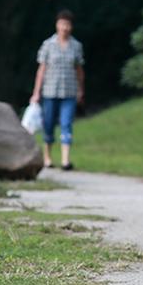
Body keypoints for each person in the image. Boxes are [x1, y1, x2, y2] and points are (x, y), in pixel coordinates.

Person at [30, 9, 85, 170]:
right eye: (62, 24)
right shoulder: (48, 45)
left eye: (68, 24)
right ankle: (47, 157)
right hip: (50, 91)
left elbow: (79, 70)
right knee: (48, 124)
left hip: (69, 92)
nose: (65, 27)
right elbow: (41, 70)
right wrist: (36, 92)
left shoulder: (76, 46)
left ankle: (65, 160)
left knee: (66, 123)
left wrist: (81, 90)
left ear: (71, 26)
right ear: (57, 25)